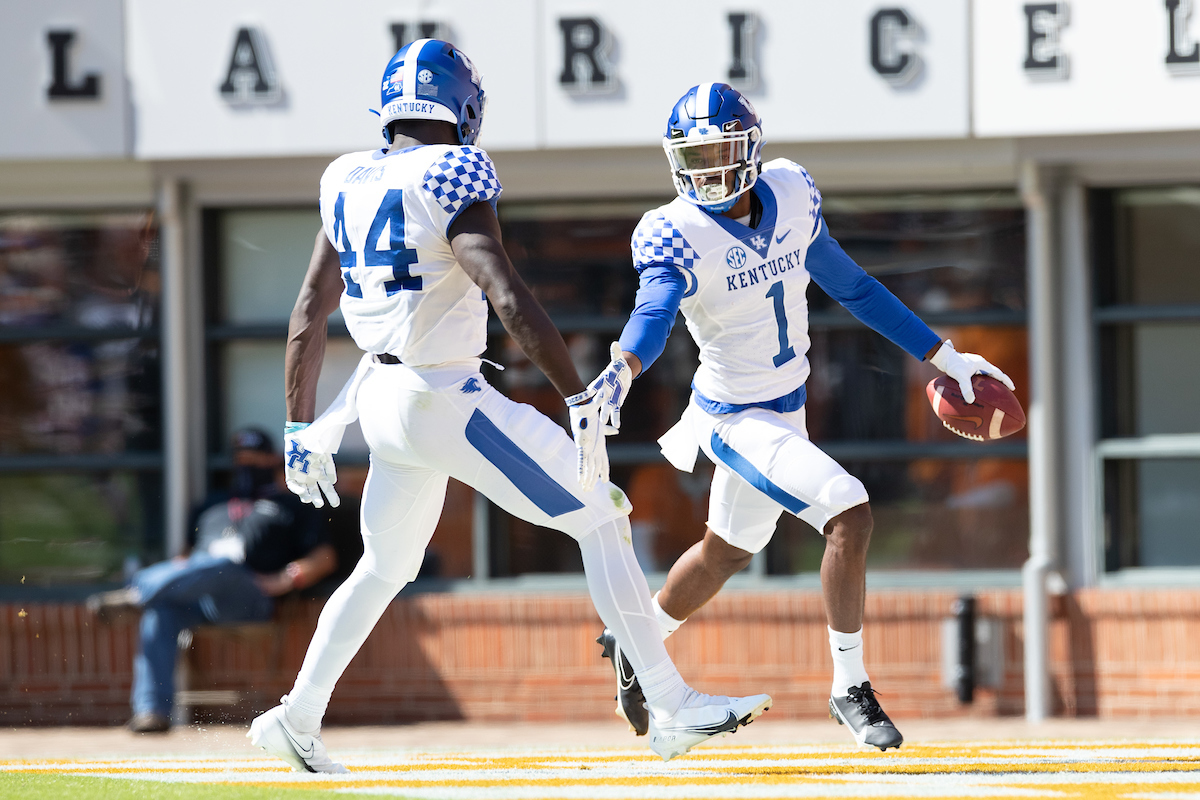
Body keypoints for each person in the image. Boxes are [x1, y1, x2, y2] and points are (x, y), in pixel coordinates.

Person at [247, 41, 771, 773]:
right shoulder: (455, 168)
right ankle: (670, 703)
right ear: (463, 108)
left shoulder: (346, 177)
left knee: (383, 567)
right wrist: (577, 391)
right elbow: (503, 289)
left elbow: (310, 307)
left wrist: (299, 423)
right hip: (442, 398)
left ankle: (297, 716)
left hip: (381, 401)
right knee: (602, 513)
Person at [587, 83, 1015, 751]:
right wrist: (623, 367)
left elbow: (855, 288)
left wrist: (946, 357)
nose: (707, 172)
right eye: (693, 158)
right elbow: (655, 311)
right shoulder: (675, 232)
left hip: (788, 410)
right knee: (850, 511)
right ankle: (850, 686)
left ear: (751, 150)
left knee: (726, 553)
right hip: (734, 417)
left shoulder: (790, 193)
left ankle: (635, 639)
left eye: (719, 153)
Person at [87, 427, 338, 733]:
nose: (247, 465)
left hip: (250, 597)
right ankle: (151, 711)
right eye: (241, 460)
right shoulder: (210, 505)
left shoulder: (293, 505)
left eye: (255, 459)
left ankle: (138, 592)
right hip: (202, 600)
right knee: (161, 612)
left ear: (272, 460)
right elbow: (184, 560)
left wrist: (281, 580)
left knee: (223, 565)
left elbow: (324, 558)